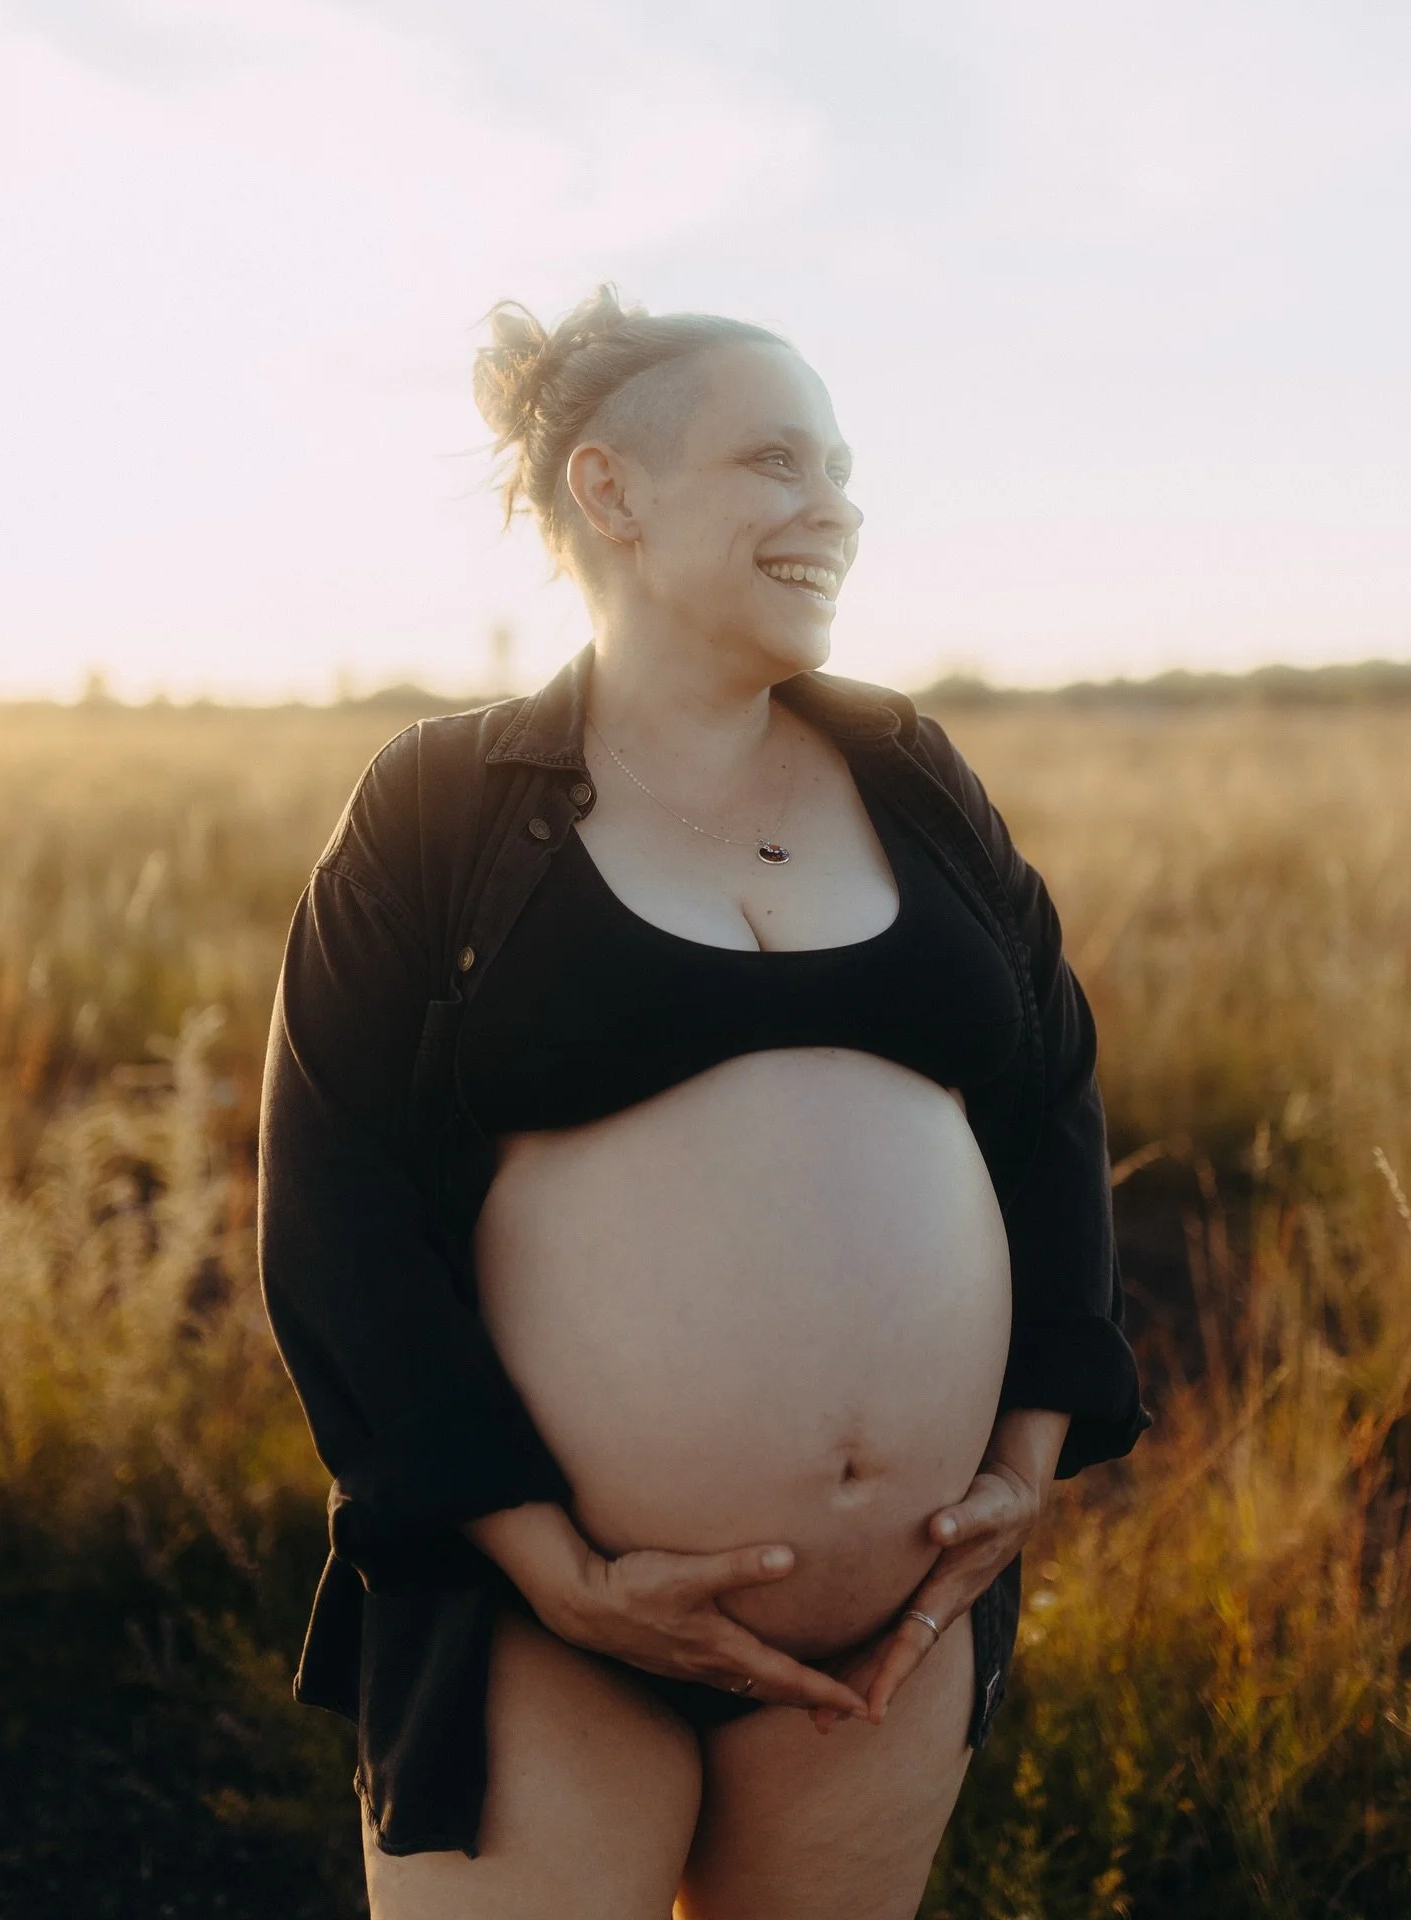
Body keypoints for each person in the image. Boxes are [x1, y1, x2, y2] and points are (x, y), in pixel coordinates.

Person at [258, 286, 1150, 1919]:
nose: (840, 510)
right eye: (776, 461)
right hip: (542, 1632)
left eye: (845, 468)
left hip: (893, 1644)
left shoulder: (911, 773)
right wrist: (559, 1570)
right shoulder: (442, 803)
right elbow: (335, 1210)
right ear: (613, 492)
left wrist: (1024, 1460)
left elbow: (1053, 1107)